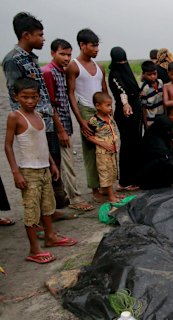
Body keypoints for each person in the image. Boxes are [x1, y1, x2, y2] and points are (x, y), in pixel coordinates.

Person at [4, 78, 77, 264]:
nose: (30, 101)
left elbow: (42, 143)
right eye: (25, 97)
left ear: (39, 97)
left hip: (44, 168)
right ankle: (34, 249)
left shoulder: (39, 116)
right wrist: (15, 172)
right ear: (16, 97)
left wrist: (52, 163)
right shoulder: (15, 117)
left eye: (34, 97)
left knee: (47, 206)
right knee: (31, 211)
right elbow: (8, 146)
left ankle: (50, 236)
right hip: (28, 171)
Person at [3, 12, 69, 209]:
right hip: (32, 128)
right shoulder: (13, 60)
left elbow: (45, 99)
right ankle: (39, 219)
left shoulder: (31, 58)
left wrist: (57, 126)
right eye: (39, 35)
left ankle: (51, 211)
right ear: (26, 35)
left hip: (45, 124)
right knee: (36, 171)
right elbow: (18, 98)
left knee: (51, 167)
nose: (43, 38)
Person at [42, 38, 94, 211]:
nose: (66, 58)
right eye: (62, 54)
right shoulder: (49, 72)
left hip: (64, 124)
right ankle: (75, 199)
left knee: (62, 163)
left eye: (68, 55)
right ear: (52, 53)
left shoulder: (61, 71)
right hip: (58, 126)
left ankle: (64, 197)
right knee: (68, 163)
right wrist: (61, 130)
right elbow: (50, 105)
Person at [66, 28, 107, 203]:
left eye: (98, 46)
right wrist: (80, 120)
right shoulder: (74, 66)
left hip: (101, 110)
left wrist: (108, 112)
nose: (97, 49)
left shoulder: (99, 67)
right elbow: (71, 94)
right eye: (93, 46)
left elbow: (104, 90)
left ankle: (106, 185)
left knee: (105, 148)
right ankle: (94, 188)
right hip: (86, 109)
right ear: (82, 45)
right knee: (90, 151)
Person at [108, 47, 142, 191]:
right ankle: (124, 181)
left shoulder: (127, 73)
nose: (123, 63)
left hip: (135, 112)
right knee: (128, 146)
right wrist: (126, 104)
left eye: (124, 60)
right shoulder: (114, 74)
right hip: (126, 114)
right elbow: (122, 91)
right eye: (119, 61)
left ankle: (134, 177)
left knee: (136, 145)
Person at [86, 92, 120, 202]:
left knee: (113, 171)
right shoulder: (94, 120)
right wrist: (103, 144)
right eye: (107, 105)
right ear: (98, 106)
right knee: (105, 172)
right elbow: (88, 136)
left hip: (112, 150)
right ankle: (111, 196)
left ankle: (111, 193)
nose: (110, 108)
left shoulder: (110, 117)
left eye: (111, 105)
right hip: (103, 152)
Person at [140, 60, 164, 129]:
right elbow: (143, 108)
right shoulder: (145, 89)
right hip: (151, 121)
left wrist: (165, 115)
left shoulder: (160, 82)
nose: (152, 76)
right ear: (144, 74)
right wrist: (146, 124)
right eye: (149, 74)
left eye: (154, 73)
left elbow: (163, 101)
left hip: (161, 118)